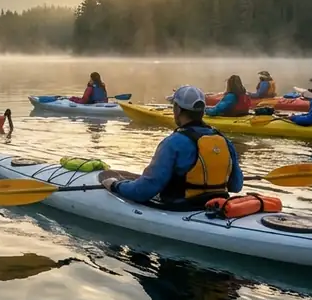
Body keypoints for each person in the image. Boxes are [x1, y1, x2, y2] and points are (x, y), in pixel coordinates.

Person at [102, 85, 243, 208]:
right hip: (216, 206)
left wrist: (116, 185)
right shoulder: (224, 141)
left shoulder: (173, 142)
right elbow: (236, 186)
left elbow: (144, 191)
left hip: (181, 208)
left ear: (178, 110)